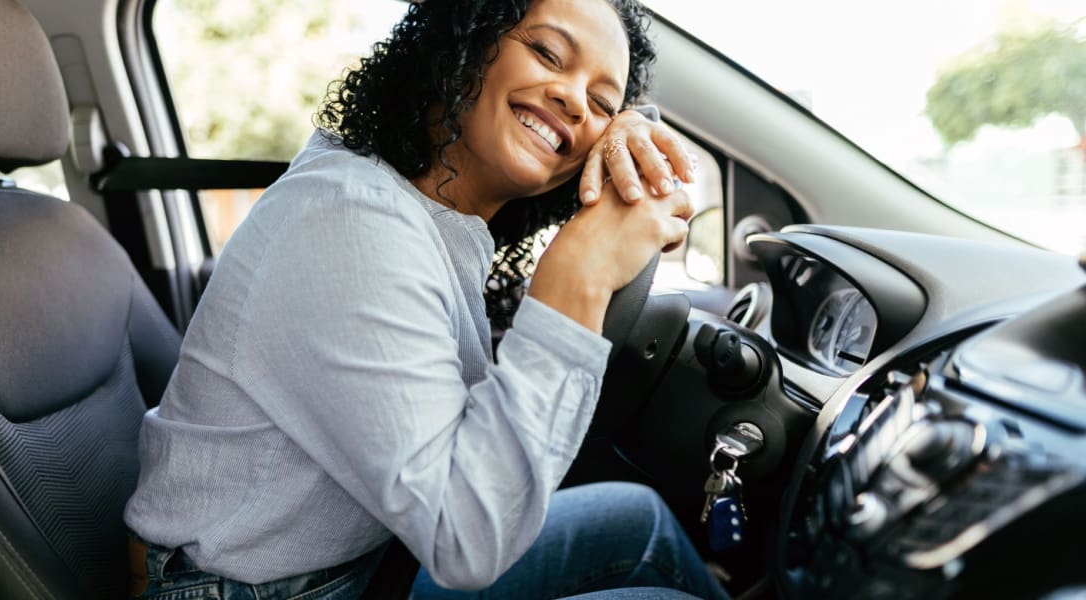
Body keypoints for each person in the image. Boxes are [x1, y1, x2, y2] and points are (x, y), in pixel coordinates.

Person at [123, 1, 728, 599]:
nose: (574, 100)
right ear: (461, 39)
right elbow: (467, 542)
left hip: (369, 564)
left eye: (601, 102)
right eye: (547, 53)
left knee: (637, 520)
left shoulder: (424, 215)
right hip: (244, 590)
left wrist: (629, 130)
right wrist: (579, 279)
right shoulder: (351, 221)